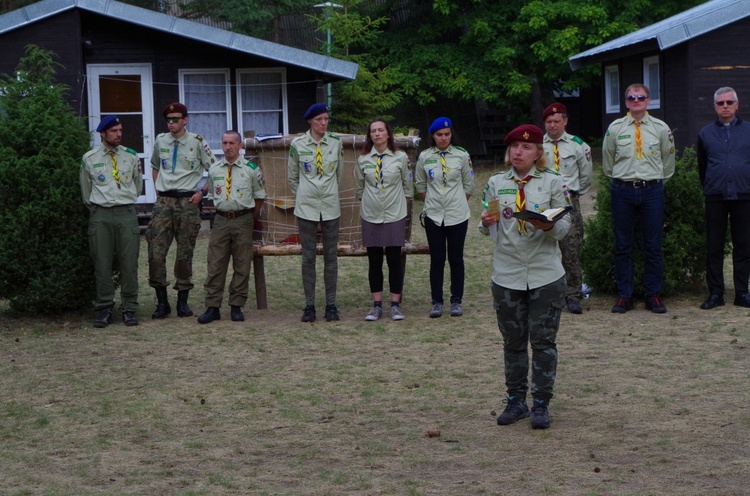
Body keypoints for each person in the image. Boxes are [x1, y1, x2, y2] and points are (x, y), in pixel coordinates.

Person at [479, 124, 571, 430]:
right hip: (507, 276)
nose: (519, 152)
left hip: (545, 275)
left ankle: (541, 404)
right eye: (514, 146)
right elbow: (488, 228)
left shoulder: (553, 182)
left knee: (543, 343)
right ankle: (516, 401)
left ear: (538, 154)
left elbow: (564, 227)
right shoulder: (495, 183)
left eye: (526, 147)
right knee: (513, 343)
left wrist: (548, 226)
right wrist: (486, 220)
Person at [602, 84, 675, 314]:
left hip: (652, 191)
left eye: (640, 97)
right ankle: (625, 295)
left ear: (648, 100)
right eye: (631, 97)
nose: (636, 100)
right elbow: (607, 162)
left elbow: (668, 162)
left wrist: (654, 183)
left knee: (652, 245)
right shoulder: (615, 128)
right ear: (625, 102)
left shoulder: (661, 128)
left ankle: (652, 295)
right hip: (622, 191)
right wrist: (622, 181)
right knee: (623, 245)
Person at [146, 102, 216, 320]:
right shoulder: (160, 140)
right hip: (164, 202)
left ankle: (182, 301)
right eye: (168, 119)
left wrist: (202, 193)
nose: (171, 123)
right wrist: (158, 188)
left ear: (185, 120)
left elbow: (215, 170)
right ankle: (162, 301)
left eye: (175, 119)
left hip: (188, 203)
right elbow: (155, 165)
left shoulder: (197, 142)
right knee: (155, 253)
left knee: (184, 253)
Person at [196, 131, 267, 324]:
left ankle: (236, 305)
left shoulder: (251, 169)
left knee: (242, 264)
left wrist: (249, 217)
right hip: (220, 220)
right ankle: (212, 307)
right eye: (224, 143)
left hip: (243, 219)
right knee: (216, 263)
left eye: (232, 143)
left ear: (240, 146)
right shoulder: (214, 169)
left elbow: (259, 197)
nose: (227, 147)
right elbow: (212, 192)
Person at [80, 115, 142, 328]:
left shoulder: (131, 156)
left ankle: (129, 308)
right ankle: (104, 308)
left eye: (120, 130)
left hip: (126, 214)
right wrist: (100, 208)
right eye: (114, 131)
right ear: (103, 133)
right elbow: (86, 192)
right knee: (102, 263)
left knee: (129, 263)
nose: (119, 134)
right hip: (101, 215)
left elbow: (137, 185)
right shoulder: (89, 158)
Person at [288, 103, 344, 322]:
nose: (323, 123)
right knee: (308, 258)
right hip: (306, 208)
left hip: (330, 207)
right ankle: (309, 306)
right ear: (310, 121)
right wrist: (304, 194)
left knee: (331, 258)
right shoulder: (298, 145)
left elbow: (339, 175)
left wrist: (327, 193)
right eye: (319, 119)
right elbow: (293, 176)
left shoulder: (336, 143)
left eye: (326, 119)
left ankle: (331, 305)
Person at [414, 117, 474, 318]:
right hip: (434, 216)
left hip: (457, 215)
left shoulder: (461, 155)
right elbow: (421, 186)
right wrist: (434, 203)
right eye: (439, 135)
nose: (443, 138)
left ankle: (456, 300)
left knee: (456, 258)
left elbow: (468, 185)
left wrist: (455, 202)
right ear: (433, 135)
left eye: (447, 134)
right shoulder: (424, 157)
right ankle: (437, 302)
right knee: (437, 259)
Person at [355, 118, 414, 321]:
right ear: (369, 136)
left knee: (394, 260)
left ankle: (395, 306)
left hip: (394, 215)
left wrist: (398, 206)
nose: (377, 134)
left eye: (381, 130)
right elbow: (359, 189)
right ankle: (377, 306)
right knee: (374, 261)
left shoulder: (400, 157)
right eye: (373, 131)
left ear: (388, 134)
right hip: (371, 215)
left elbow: (408, 186)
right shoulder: (363, 160)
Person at [696, 87, 750, 309]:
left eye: (729, 102)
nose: (725, 106)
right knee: (715, 246)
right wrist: (709, 186)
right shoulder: (705, 133)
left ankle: (742, 292)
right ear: (715, 107)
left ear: (737, 105)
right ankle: (716, 293)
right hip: (715, 195)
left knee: (744, 245)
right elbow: (702, 166)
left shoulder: (748, 130)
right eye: (721, 103)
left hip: (744, 194)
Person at [542, 103, 593, 314]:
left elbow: (585, 177)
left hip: (568, 202)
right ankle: (546, 294)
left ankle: (572, 295)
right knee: (543, 249)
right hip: (543, 202)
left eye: (556, 121)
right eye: (548, 122)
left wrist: (572, 194)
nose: (552, 125)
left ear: (565, 121)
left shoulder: (578, 146)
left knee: (571, 249)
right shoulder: (536, 145)